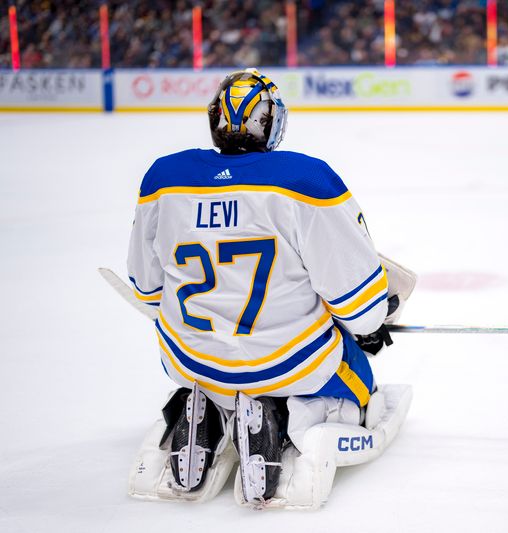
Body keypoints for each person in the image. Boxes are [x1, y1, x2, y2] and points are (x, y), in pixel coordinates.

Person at [126, 69, 396, 503]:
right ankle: (284, 415)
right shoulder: (306, 180)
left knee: (211, 365)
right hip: (286, 362)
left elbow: (145, 290)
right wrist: (371, 322)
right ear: (271, 123)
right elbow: (360, 306)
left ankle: (209, 410)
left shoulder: (163, 178)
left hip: (189, 357)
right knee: (362, 390)